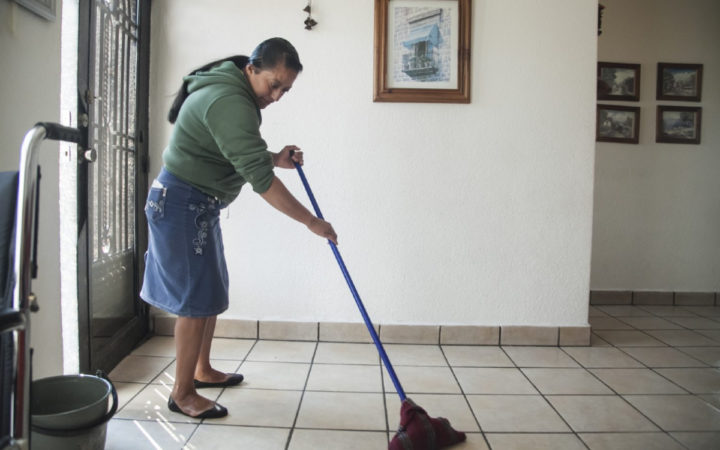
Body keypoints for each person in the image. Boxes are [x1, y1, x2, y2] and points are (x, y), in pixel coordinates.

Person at [140, 37, 337, 419]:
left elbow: (233, 149)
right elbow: (261, 182)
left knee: (209, 290)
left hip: (198, 204)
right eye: (274, 84)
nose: (276, 96)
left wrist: (274, 158)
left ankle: (202, 370)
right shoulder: (229, 100)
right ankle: (182, 394)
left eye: (285, 90)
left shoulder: (234, 94)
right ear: (251, 68)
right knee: (194, 301)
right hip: (180, 203)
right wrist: (312, 222)